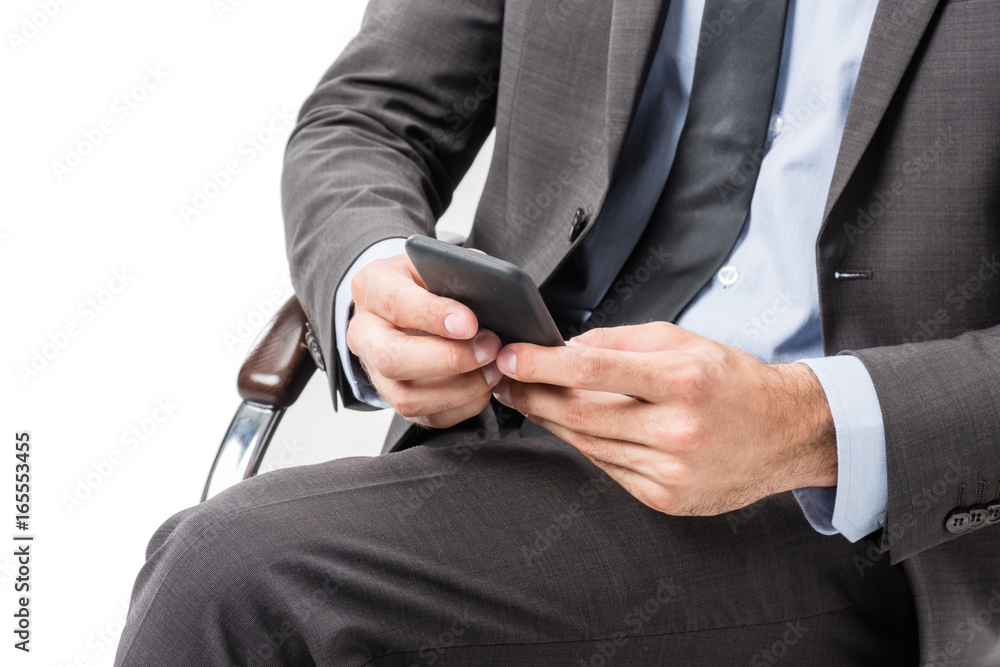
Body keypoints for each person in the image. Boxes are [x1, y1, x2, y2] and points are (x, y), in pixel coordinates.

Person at [115, 0, 1000, 664]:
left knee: (233, 578)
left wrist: (808, 423)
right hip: (516, 439)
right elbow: (370, 117)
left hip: (865, 516)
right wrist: (374, 276)